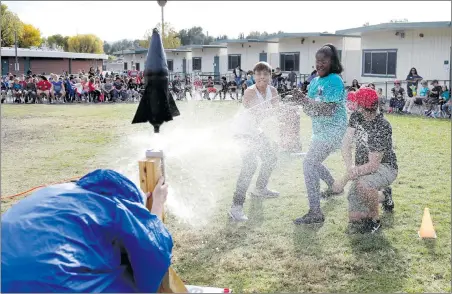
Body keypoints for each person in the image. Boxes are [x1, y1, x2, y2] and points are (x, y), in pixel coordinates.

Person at [1, 169, 172, 292]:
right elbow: (154, 251)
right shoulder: (115, 206)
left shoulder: (54, 192)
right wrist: (157, 203)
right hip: (57, 284)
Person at [292, 44, 347, 225]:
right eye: (317, 61)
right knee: (313, 162)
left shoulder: (335, 80)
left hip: (334, 131)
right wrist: (301, 101)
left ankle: (315, 212)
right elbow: (310, 109)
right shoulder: (315, 81)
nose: (320, 64)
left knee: (309, 164)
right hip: (320, 132)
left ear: (332, 62)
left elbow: (329, 110)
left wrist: (305, 101)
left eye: (324, 61)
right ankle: (334, 187)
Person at [333, 87, 398, 233]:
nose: (352, 105)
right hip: (362, 167)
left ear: (363, 107)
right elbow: (346, 143)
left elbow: (374, 166)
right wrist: (350, 168)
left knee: (364, 184)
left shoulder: (381, 126)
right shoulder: (356, 116)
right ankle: (384, 195)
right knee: (355, 218)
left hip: (386, 167)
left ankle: (374, 220)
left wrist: (345, 178)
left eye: (356, 103)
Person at [229, 61, 280, 222]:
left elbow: (278, 111)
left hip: (255, 131)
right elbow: (258, 113)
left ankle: (259, 188)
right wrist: (273, 111)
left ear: (271, 76)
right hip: (241, 132)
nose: (262, 77)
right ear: (253, 76)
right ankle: (235, 207)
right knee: (250, 165)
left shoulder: (273, 90)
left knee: (270, 158)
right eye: (258, 74)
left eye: (265, 74)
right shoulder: (250, 92)